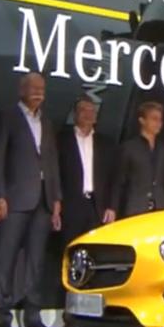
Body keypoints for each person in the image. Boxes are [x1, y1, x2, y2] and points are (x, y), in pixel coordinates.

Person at [0, 72, 62, 327]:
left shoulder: (47, 122)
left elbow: (52, 163)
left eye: (42, 87)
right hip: (14, 200)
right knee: (5, 259)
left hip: (43, 201)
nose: (38, 91)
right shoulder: (7, 117)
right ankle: (3, 317)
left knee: (36, 262)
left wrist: (56, 200)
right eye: (33, 87)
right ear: (21, 90)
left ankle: (32, 316)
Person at [57, 97, 115, 242]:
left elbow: (113, 178)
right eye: (83, 110)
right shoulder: (61, 140)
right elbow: (55, 175)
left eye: (92, 111)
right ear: (75, 114)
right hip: (70, 207)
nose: (88, 114)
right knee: (70, 247)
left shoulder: (106, 144)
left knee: (94, 248)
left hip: (97, 207)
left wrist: (111, 206)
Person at [109, 101, 164, 219]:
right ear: (142, 120)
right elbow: (118, 181)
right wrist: (112, 207)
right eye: (154, 119)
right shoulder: (129, 148)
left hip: (161, 208)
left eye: (160, 120)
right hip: (135, 208)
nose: (158, 123)